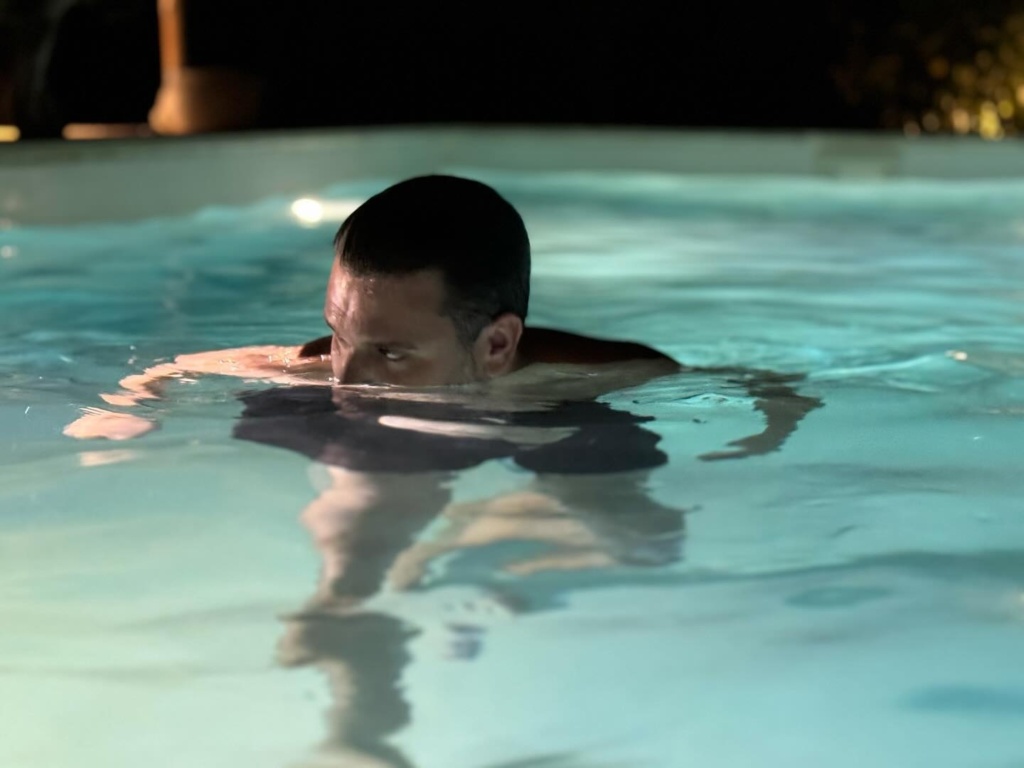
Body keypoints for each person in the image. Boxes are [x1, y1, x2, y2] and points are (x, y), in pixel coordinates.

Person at [64, 175, 821, 766]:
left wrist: (766, 435)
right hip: (402, 445)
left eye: (391, 352)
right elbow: (182, 366)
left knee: (647, 542)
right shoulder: (330, 368)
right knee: (364, 497)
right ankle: (355, 686)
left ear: (497, 345)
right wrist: (128, 406)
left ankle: (479, 542)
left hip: (538, 425)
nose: (346, 376)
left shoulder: (585, 375)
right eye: (338, 334)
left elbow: (766, 385)